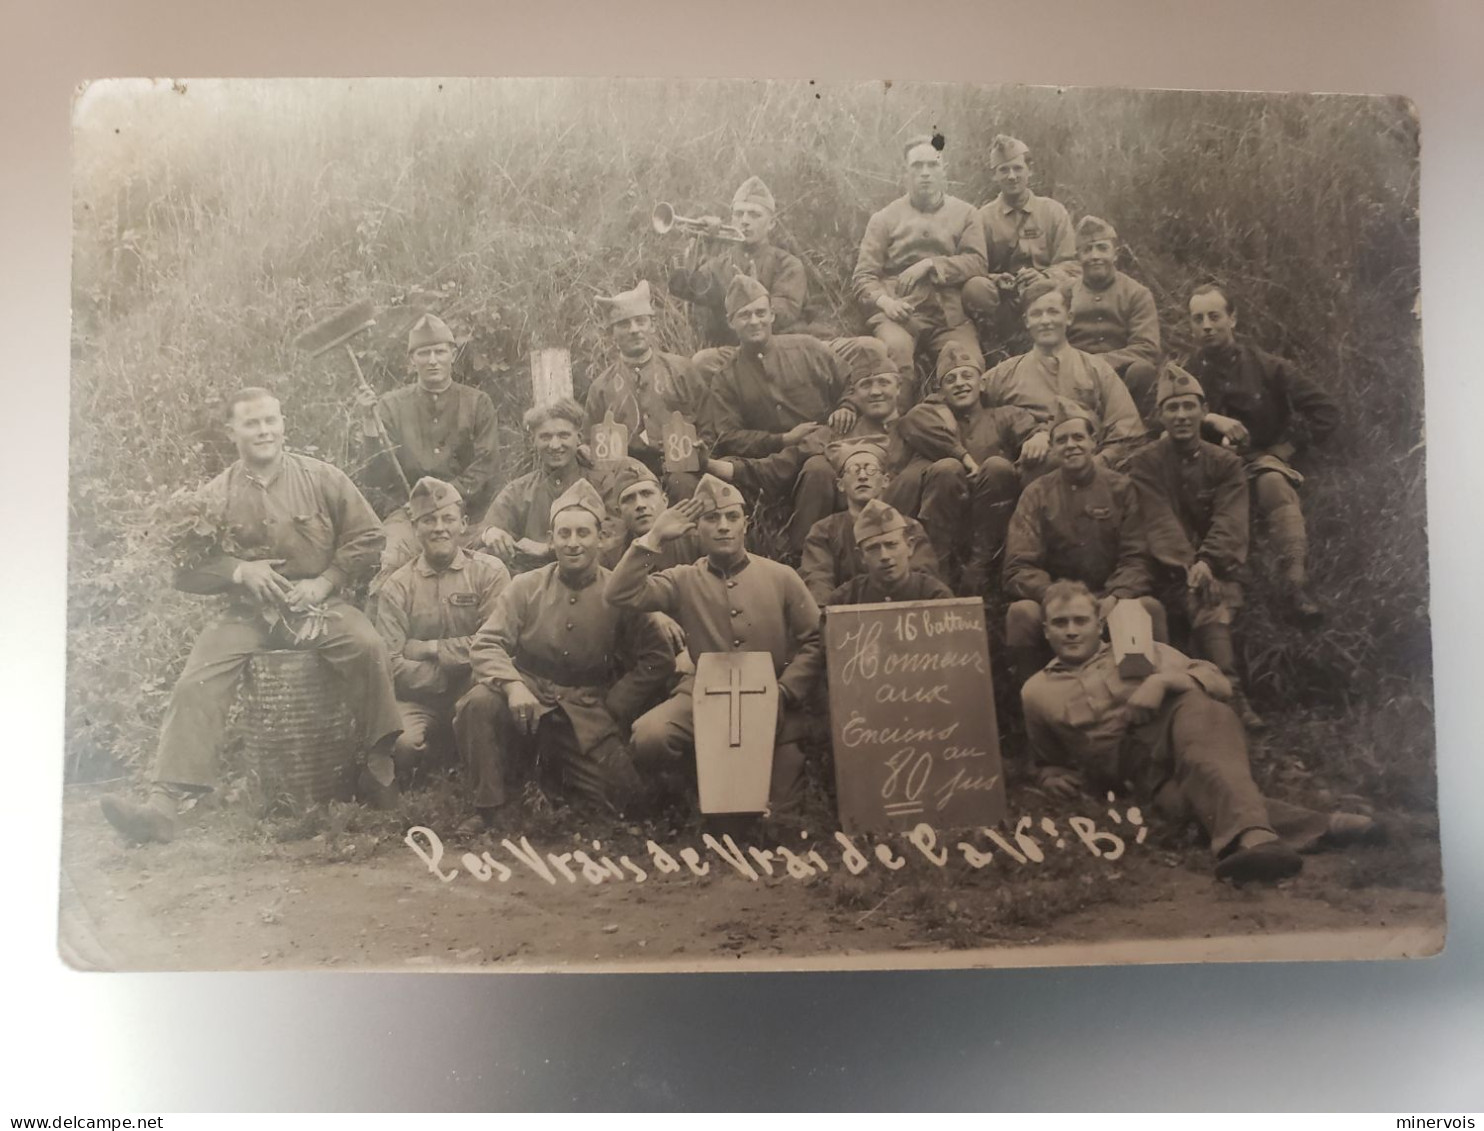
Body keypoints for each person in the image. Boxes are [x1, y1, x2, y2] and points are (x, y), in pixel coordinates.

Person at [100, 388, 403, 844]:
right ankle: (163, 805)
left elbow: (368, 536)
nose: (264, 431)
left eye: (270, 421)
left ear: (283, 424)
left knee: (368, 646)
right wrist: (240, 571)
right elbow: (182, 568)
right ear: (232, 432)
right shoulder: (213, 496)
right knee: (196, 680)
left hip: (318, 605)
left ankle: (378, 768)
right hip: (247, 616)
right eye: (251, 424)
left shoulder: (322, 477)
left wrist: (325, 581)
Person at [1022, 580, 1381, 884]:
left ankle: (1255, 841)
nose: (1071, 630)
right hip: (1142, 773)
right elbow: (1047, 760)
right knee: (1192, 798)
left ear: (1098, 625)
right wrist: (1049, 775)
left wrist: (1162, 681)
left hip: (1185, 728)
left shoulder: (1140, 649)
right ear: (1046, 630)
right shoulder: (1035, 693)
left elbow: (1218, 684)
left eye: (1080, 621)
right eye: (1061, 622)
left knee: (1201, 727)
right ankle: (1328, 826)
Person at [460, 479, 676, 830]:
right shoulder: (525, 586)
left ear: (601, 537)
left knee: (627, 803)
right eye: (564, 534)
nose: (572, 543)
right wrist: (513, 686)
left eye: (582, 533)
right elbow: (486, 644)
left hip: (585, 707)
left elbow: (657, 657)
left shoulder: (620, 592)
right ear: (552, 538)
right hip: (527, 697)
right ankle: (491, 807)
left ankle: (554, 778)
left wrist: (616, 704)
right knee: (479, 703)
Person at [605, 475, 825, 813]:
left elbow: (814, 639)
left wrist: (785, 690)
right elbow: (620, 593)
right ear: (696, 529)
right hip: (702, 694)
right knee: (651, 736)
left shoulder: (781, 576)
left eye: (732, 517)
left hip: (771, 699)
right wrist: (655, 537)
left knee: (777, 811)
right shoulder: (683, 578)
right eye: (711, 518)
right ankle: (688, 791)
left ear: (745, 525)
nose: (723, 527)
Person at [1182, 283, 1341, 622]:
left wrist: (1288, 448)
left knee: (1272, 482)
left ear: (1233, 318)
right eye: (1198, 319)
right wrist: (1209, 418)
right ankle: (1213, 593)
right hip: (1206, 466)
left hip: (1258, 459)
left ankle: (1294, 584)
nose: (1206, 325)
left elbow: (1326, 410)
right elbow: (1163, 421)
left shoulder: (1268, 367)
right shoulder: (1186, 374)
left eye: (1214, 316)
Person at [1126, 369, 1265, 730]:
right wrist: (1190, 564)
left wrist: (1208, 561)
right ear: (1160, 416)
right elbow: (1158, 520)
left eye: (1189, 406)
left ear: (1204, 411)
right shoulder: (1146, 462)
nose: (1182, 416)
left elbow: (1231, 521)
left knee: (1210, 597)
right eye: (1172, 408)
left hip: (1216, 568)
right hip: (1164, 568)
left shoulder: (1225, 463)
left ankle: (1231, 692)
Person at [1003, 403, 1167, 690]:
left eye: (1078, 437)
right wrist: (1055, 596)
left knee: (1149, 608)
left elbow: (1137, 557)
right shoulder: (1036, 494)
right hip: (1057, 602)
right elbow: (1019, 565)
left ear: (1094, 442)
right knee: (1022, 614)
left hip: (1110, 599)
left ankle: (1156, 697)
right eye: (1062, 440)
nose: (1071, 445)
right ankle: (1033, 703)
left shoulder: (1121, 488)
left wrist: (1116, 595)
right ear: (1052, 448)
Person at [701, 274, 857, 552]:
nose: (754, 321)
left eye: (761, 313)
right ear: (731, 322)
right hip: (766, 466)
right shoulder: (726, 377)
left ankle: (803, 553)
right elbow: (729, 436)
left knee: (818, 470)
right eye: (744, 315)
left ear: (772, 315)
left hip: (820, 451)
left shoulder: (807, 348)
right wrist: (782, 440)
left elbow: (850, 381)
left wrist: (847, 406)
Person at [372, 477, 512, 783]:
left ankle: (475, 762)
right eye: (428, 520)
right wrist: (451, 675)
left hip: (473, 690)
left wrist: (428, 648)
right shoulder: (396, 586)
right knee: (404, 746)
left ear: (463, 524)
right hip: (419, 700)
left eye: (447, 518)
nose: (439, 527)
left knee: (486, 696)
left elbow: (496, 644)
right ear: (415, 528)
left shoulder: (489, 573)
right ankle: (442, 755)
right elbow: (391, 663)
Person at [889, 340, 1046, 594]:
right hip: (946, 516)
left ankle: (981, 568)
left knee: (996, 466)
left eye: (967, 376)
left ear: (981, 383)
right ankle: (938, 574)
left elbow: (1031, 428)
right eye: (951, 380)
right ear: (941, 390)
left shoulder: (1003, 415)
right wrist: (961, 456)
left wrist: (1040, 435)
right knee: (946, 468)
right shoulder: (933, 419)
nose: (960, 383)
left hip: (993, 520)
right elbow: (910, 420)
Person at [354, 313, 500, 586]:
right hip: (409, 515)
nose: (432, 360)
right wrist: (368, 423)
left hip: (464, 513)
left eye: (439, 352)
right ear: (412, 360)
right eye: (423, 353)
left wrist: (442, 501)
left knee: (488, 561)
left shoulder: (477, 403)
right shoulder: (390, 406)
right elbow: (375, 475)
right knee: (389, 561)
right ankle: (389, 627)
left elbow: (486, 466)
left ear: (452, 354)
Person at [851, 134, 987, 401]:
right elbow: (864, 275)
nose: (925, 173)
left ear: (943, 170)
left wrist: (930, 265)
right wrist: (884, 302)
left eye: (932, 165)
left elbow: (977, 262)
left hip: (948, 314)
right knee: (895, 357)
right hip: (899, 313)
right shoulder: (884, 218)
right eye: (917, 166)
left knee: (967, 364)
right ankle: (897, 427)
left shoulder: (966, 213)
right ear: (905, 173)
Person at [983, 278, 1145, 469]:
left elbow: (1128, 430)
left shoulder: (1096, 369)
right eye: (1036, 314)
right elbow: (967, 405)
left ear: (1068, 317)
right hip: (1030, 479)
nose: (1045, 321)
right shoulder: (1004, 375)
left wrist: (1094, 465)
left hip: (1091, 472)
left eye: (1053, 312)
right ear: (1026, 321)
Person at [583, 280, 708, 502]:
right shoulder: (601, 387)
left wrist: (702, 449)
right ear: (612, 332)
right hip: (627, 478)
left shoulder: (682, 370)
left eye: (640, 322)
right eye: (624, 324)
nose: (634, 330)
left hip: (681, 470)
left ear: (652, 326)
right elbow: (590, 442)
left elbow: (710, 422)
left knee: (683, 484)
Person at [962, 135, 1081, 349]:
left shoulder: (1053, 211)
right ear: (994, 176)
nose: (1012, 176)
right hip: (1005, 300)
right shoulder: (983, 217)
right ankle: (996, 342)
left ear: (1030, 170)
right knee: (975, 287)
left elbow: (1071, 264)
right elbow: (974, 266)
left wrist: (1044, 276)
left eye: (1017, 168)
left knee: (1075, 284)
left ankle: (1066, 338)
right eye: (1004, 170)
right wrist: (997, 278)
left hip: (1048, 293)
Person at [668, 175, 811, 349]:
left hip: (773, 351)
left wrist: (750, 293)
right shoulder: (718, 264)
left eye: (754, 215)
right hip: (727, 353)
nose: (744, 221)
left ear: (771, 223)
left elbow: (783, 314)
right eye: (738, 214)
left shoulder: (788, 265)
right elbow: (688, 289)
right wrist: (698, 242)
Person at [799, 439, 940, 605]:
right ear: (841, 484)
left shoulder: (909, 528)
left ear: (886, 481)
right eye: (853, 470)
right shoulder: (823, 531)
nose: (863, 476)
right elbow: (819, 582)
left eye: (871, 470)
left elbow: (923, 579)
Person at [478, 398, 596, 572]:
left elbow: (612, 539)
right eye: (545, 437)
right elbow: (480, 532)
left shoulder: (598, 482)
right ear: (533, 441)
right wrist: (489, 533)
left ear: (578, 438)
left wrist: (549, 549)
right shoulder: (518, 491)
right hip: (532, 588)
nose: (555, 445)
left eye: (563, 435)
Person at [1065, 216, 1162, 422]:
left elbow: (1147, 348)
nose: (1095, 256)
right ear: (1077, 256)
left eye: (1102, 248)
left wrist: (1102, 362)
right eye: (1087, 250)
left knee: (1142, 370)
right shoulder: (1065, 293)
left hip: (1123, 378)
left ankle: (1131, 426)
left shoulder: (1137, 293)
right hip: (1077, 378)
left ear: (1115, 254)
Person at [823, 499, 954, 606]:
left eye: (892, 545)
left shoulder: (935, 596)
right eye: (873, 548)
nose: (884, 556)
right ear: (861, 556)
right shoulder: (844, 600)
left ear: (910, 546)